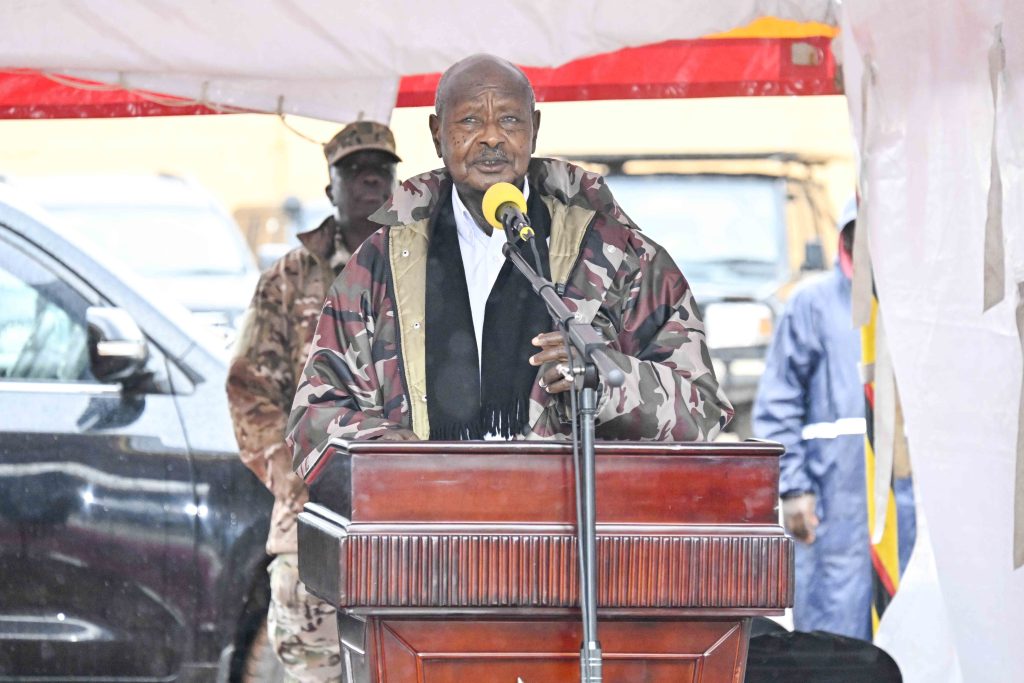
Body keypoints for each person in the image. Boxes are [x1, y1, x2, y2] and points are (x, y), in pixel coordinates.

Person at [286, 53, 733, 477]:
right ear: (437, 133)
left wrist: (609, 384)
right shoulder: (381, 262)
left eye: (510, 119)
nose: (492, 137)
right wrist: (393, 450)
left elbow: (702, 411)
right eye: (469, 121)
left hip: (570, 539)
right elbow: (314, 418)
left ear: (534, 130)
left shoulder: (616, 253)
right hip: (425, 536)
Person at [226, 120, 399, 682]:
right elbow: (250, 389)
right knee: (316, 666)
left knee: (401, 660)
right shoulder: (287, 280)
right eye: (354, 171)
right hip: (311, 515)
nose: (369, 181)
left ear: (396, 186)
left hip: (402, 510)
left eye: (381, 171)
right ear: (331, 189)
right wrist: (290, 473)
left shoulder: (429, 272)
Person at [753, 199, 915, 640]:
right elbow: (777, 404)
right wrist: (793, 488)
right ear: (848, 236)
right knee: (835, 632)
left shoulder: (917, 307)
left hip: (908, 502)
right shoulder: (813, 304)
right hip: (834, 501)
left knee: (912, 625)